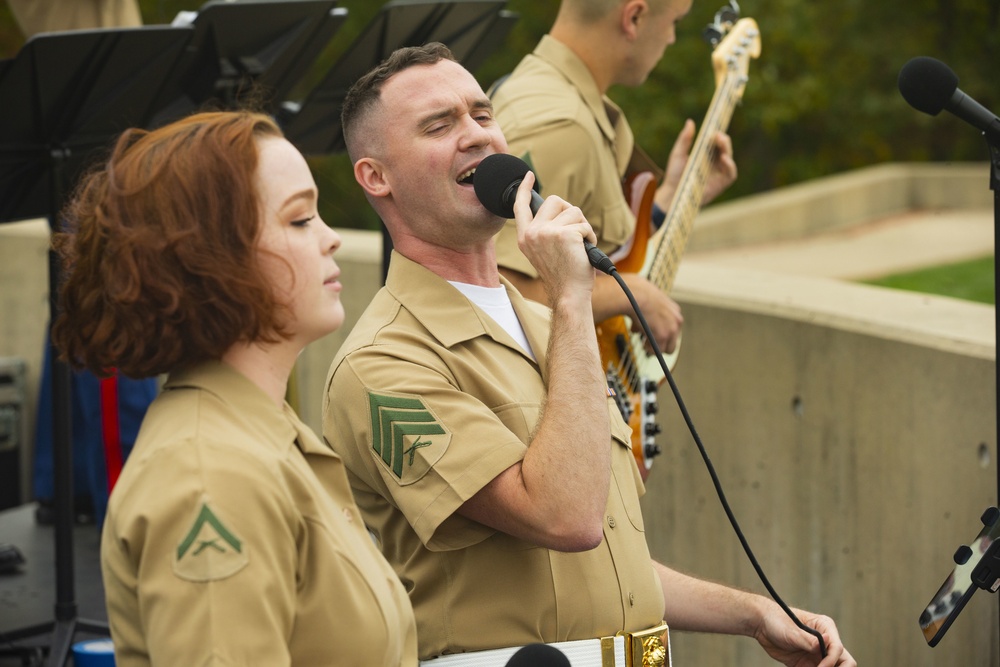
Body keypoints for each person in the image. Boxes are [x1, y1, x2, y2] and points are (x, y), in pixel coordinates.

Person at [325, 43, 855, 666]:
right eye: (439, 126)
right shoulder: (384, 365)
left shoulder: (547, 324)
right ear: (375, 176)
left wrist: (755, 613)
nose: (477, 136)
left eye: (482, 113)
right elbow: (563, 518)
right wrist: (574, 299)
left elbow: (603, 560)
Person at [51, 110, 417, 666]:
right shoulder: (211, 474)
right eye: (299, 221)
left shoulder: (259, 435)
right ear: (211, 259)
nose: (332, 239)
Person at [490, 0, 738, 355]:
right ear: (634, 17)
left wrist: (675, 195)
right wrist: (630, 294)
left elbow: (608, 250)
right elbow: (503, 294)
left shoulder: (570, 103)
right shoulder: (560, 126)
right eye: (674, 23)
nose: (671, 38)